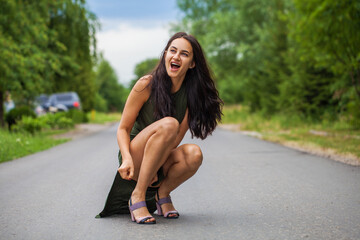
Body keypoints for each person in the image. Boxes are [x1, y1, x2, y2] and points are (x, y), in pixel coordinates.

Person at [96, 32, 223, 224]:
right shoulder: (146, 84)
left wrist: (157, 163)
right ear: (165, 54)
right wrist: (127, 158)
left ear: (192, 63)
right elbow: (123, 128)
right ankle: (137, 196)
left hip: (159, 156)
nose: (176, 57)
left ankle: (162, 194)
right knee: (169, 123)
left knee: (194, 154)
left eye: (184, 54)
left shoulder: (190, 96)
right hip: (135, 156)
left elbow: (175, 139)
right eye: (172, 51)